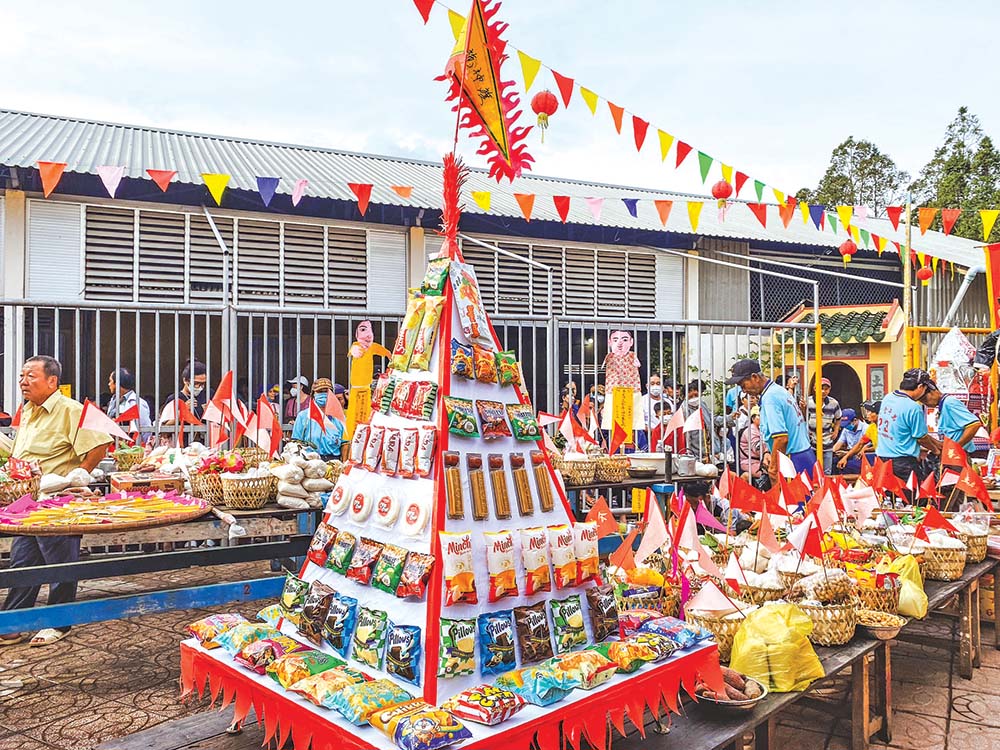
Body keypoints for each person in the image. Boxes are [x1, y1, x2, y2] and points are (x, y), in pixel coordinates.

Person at [1, 356, 112, 647]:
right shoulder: (28, 411)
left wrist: (80, 473)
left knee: (60, 564)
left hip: (60, 502)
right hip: (29, 502)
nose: (23, 382)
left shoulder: (70, 410)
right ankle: (12, 622)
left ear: (52, 381)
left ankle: (59, 623)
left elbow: (100, 444)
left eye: (31, 376)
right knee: (23, 563)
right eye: (22, 376)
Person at [727, 358, 814, 480]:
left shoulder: (770, 398)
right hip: (803, 455)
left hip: (792, 460)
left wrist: (773, 466)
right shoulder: (778, 390)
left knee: (793, 499)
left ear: (755, 377)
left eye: (743, 385)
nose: (744, 390)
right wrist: (768, 452)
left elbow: (781, 438)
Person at [876, 368, 941, 485]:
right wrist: (936, 450)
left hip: (882, 458)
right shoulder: (913, 407)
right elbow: (920, 437)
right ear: (921, 387)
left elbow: (915, 433)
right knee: (912, 500)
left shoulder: (888, 398)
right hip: (902, 462)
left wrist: (937, 443)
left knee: (890, 499)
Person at [291, 378, 344, 460]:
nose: (323, 395)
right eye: (319, 392)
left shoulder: (339, 418)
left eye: (326, 392)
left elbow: (345, 444)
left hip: (334, 462)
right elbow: (296, 442)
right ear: (313, 395)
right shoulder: (303, 416)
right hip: (309, 462)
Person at [921, 382, 982, 453]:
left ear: (934, 391)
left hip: (959, 455)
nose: (925, 403)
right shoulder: (943, 405)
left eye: (925, 399)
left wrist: (956, 447)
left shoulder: (949, 402)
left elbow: (974, 424)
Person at [106, 368, 152, 440]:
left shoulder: (137, 403)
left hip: (130, 446)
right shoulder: (113, 401)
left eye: (110, 381)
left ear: (117, 383)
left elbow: (145, 430)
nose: (109, 384)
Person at [807, 377, 841, 470]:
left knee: (827, 471)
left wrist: (836, 431)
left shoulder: (833, 403)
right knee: (812, 471)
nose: (823, 391)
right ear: (815, 388)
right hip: (811, 441)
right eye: (821, 388)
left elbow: (838, 418)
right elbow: (802, 418)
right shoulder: (808, 402)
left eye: (826, 389)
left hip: (827, 441)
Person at [837, 400, 880, 471]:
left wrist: (866, 449)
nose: (867, 414)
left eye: (871, 412)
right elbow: (860, 444)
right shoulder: (871, 428)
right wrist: (845, 457)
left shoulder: (887, 428)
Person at [738, 406, 769, 484]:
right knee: (772, 472)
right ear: (753, 418)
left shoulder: (762, 429)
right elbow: (758, 449)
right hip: (750, 462)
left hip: (761, 461)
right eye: (759, 415)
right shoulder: (751, 431)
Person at [831, 409, 865, 474]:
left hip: (860, 456)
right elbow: (839, 443)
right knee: (832, 462)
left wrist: (846, 454)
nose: (846, 427)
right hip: (849, 454)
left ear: (855, 420)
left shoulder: (865, 428)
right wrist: (832, 452)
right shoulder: (846, 429)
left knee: (846, 465)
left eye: (848, 424)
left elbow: (862, 447)